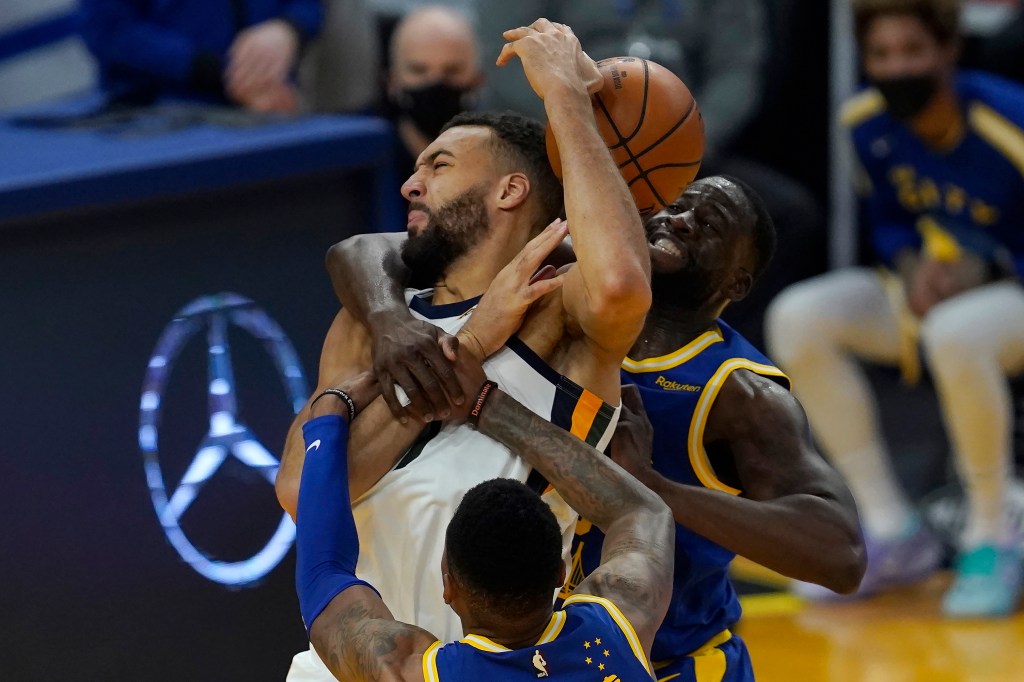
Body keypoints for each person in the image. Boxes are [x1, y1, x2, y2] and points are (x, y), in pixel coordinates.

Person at [278, 19, 652, 679]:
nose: (410, 186)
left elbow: (622, 279)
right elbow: (302, 491)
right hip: (357, 656)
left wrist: (564, 94)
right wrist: (469, 349)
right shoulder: (371, 322)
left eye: (439, 167)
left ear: (510, 191)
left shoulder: (563, 317)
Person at [766, 0, 1024, 618]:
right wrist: (910, 266)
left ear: (947, 51)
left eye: (912, 51)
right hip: (938, 298)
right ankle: (890, 527)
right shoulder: (864, 122)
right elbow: (889, 223)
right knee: (799, 315)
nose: (896, 67)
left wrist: (987, 267)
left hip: (1008, 292)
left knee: (956, 332)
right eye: (881, 55)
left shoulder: (1006, 121)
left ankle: (993, 534)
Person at [293, 359, 674, 681]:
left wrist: (330, 416)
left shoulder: (411, 669)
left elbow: (324, 574)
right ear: (561, 574)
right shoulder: (619, 624)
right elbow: (641, 510)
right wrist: (486, 404)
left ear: (448, 584)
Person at [473, 0, 825, 348]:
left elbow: (737, 73)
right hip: (558, 140)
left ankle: (709, 352)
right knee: (505, 202)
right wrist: (571, 124)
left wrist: (686, 144)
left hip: (679, 149)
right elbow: (504, 60)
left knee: (785, 215)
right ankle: (516, 338)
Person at [80, 0, 323, 113]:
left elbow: (308, 4)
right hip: (161, 120)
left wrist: (289, 27)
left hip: (273, 109)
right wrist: (220, 73)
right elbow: (108, 29)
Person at [383, 4, 484, 168]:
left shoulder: (508, 162)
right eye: (419, 70)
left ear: (477, 80)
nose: (435, 83)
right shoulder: (359, 164)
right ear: (392, 80)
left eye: (452, 71)